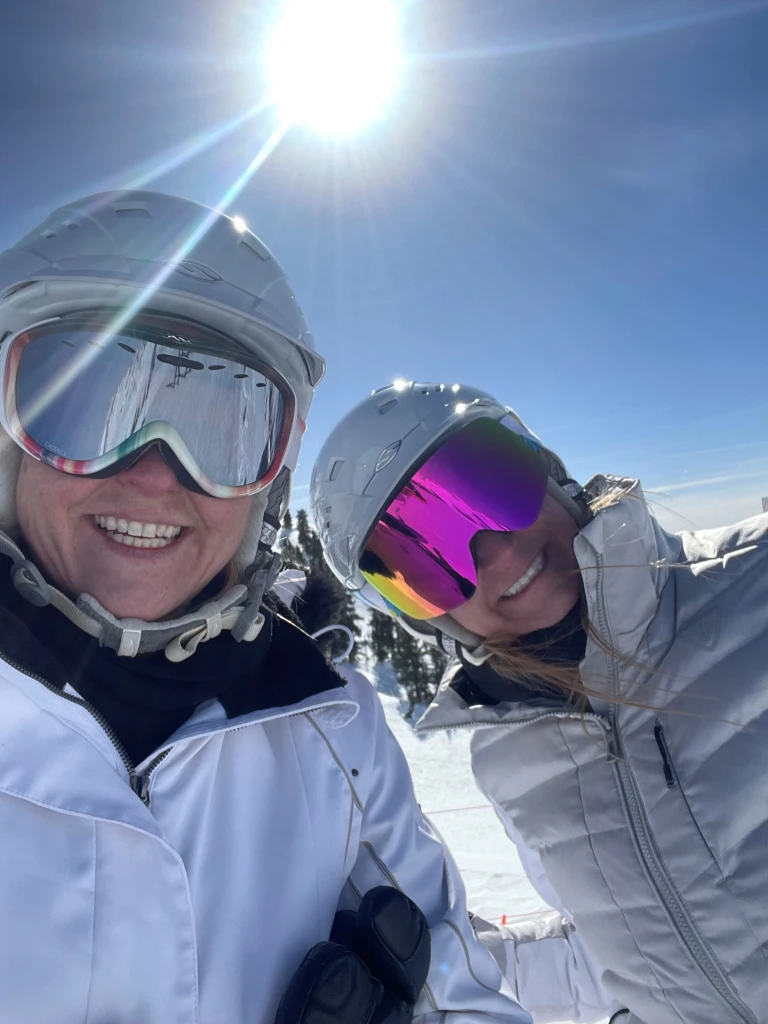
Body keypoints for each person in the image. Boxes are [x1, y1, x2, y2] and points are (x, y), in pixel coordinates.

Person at [0, 198, 533, 1024]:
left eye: (224, 425)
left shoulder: (328, 723)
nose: (154, 473)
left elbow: (460, 995)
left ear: (267, 489)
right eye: (84, 404)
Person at [311, 379, 768, 1024]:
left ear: (549, 471)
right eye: (430, 561)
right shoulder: (511, 757)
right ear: (424, 619)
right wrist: (440, 965)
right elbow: (618, 960)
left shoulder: (757, 579)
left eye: (494, 488)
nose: (494, 553)